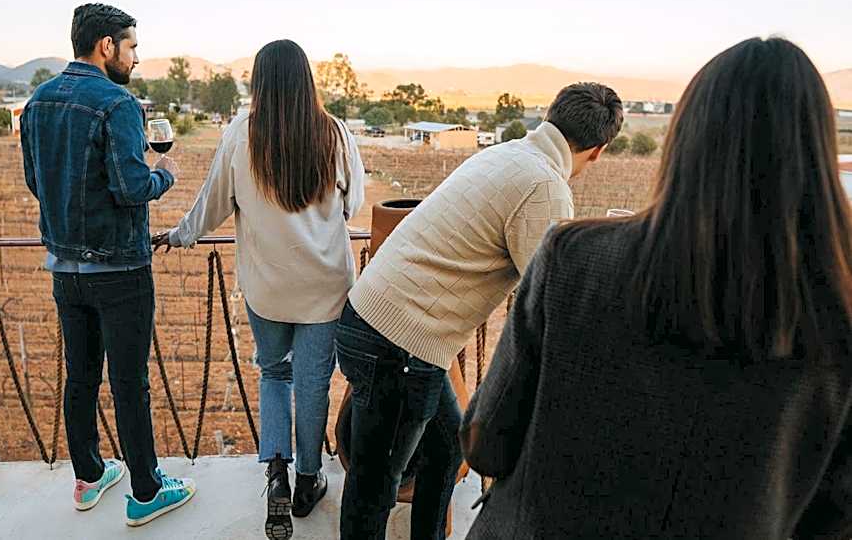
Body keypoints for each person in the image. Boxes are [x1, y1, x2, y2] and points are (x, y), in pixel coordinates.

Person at [461, 37, 852, 539]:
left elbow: (486, 441)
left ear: (686, 140)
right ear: (818, 153)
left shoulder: (573, 260)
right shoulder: (836, 322)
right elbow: (833, 517)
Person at [337, 82, 623, 539]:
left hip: (376, 323)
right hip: (399, 345)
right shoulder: (545, 185)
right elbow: (547, 297)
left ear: (551, 115)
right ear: (598, 150)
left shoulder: (508, 154)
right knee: (377, 483)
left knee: (448, 451)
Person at [153, 39, 365, 540]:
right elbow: (353, 203)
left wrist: (178, 235)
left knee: (274, 374)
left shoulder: (240, 135)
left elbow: (212, 205)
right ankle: (308, 480)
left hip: (267, 290)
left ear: (260, 82)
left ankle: (276, 474)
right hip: (326, 289)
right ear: (307, 80)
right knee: (313, 385)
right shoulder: (335, 134)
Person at [20, 3, 196, 527]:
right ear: (106, 47)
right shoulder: (119, 103)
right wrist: (165, 172)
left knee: (80, 378)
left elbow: (36, 181)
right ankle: (145, 491)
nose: (136, 58)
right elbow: (130, 186)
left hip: (64, 268)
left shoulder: (37, 102)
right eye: (133, 46)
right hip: (120, 272)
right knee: (128, 381)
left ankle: (90, 476)